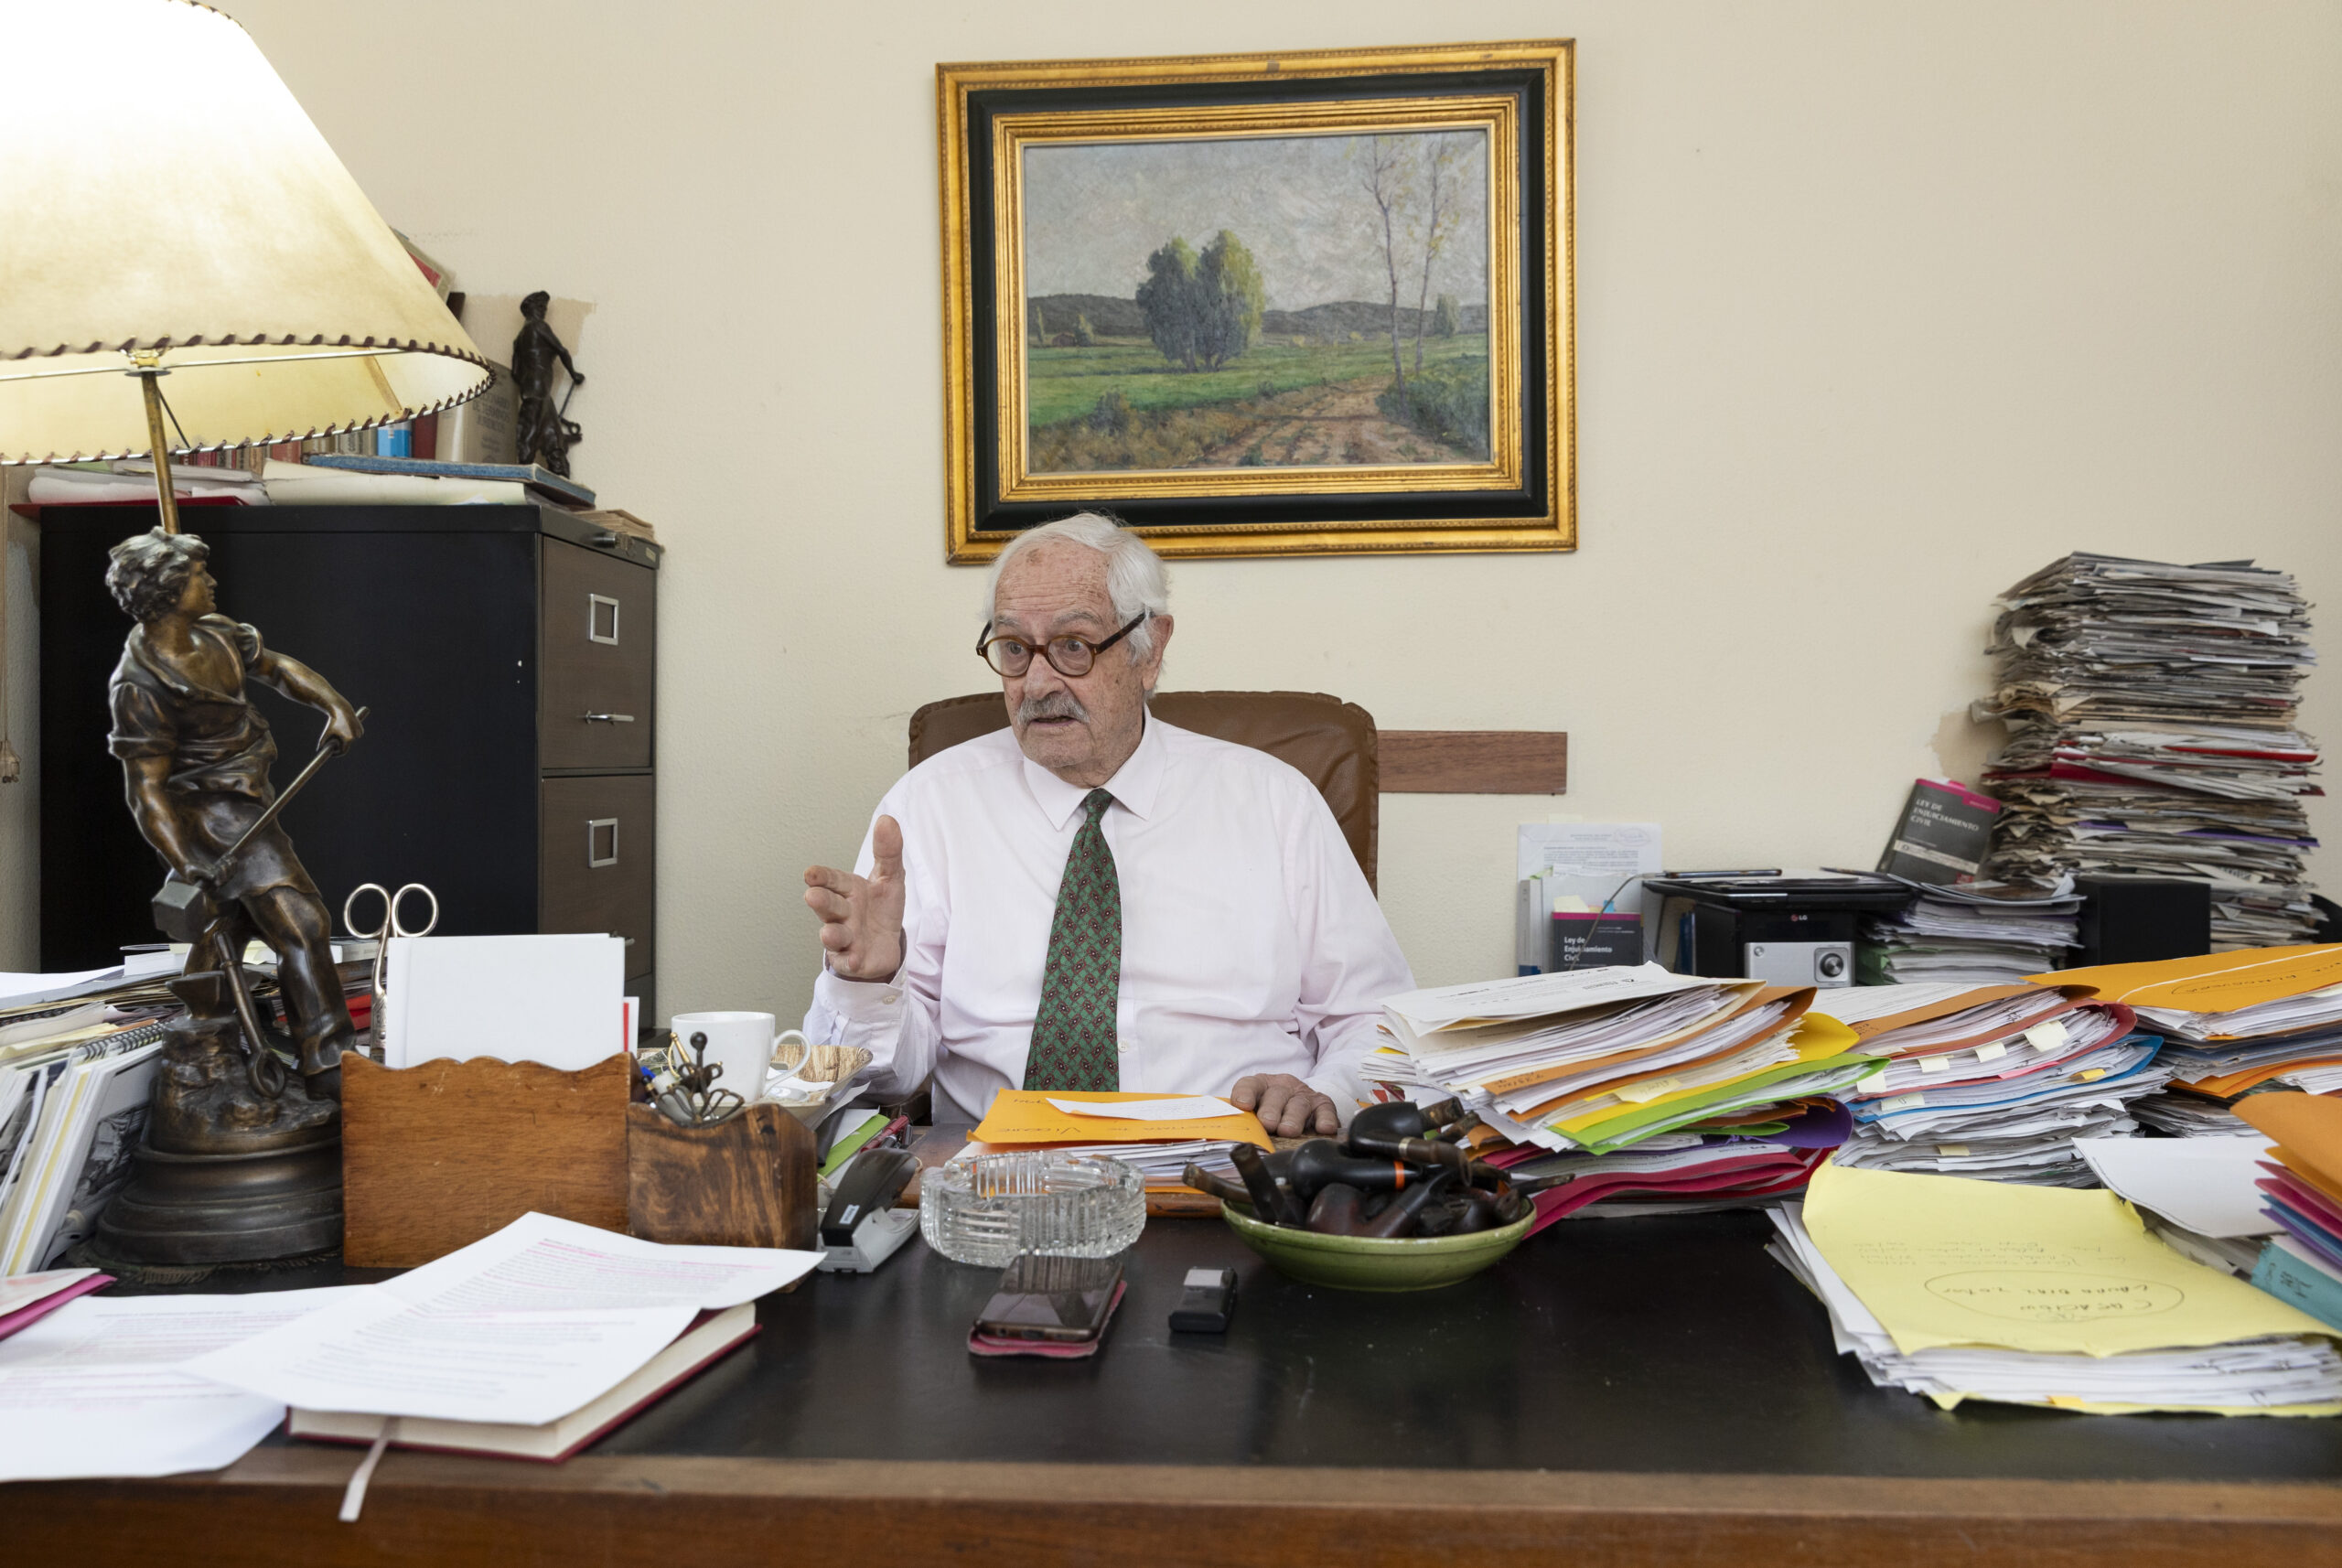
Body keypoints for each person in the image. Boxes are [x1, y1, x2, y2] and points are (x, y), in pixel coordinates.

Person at [801, 513, 1413, 1134]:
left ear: (1151, 649)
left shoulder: (1275, 803)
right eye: (1014, 648)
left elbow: (1374, 1019)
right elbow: (883, 1080)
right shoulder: (928, 807)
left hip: (1230, 1162)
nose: (1037, 682)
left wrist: (1323, 1091)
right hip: (1004, 1175)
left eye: (1074, 645)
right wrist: (870, 983)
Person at [104, 529, 364, 1099]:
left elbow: (278, 668)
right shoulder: (140, 685)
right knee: (302, 924)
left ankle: (210, 1049)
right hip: (210, 820)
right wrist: (185, 861)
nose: (213, 582)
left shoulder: (218, 634)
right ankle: (330, 1068)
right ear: (169, 590)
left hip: (251, 801)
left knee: (224, 930)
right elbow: (147, 791)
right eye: (200, 575)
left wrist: (334, 705)